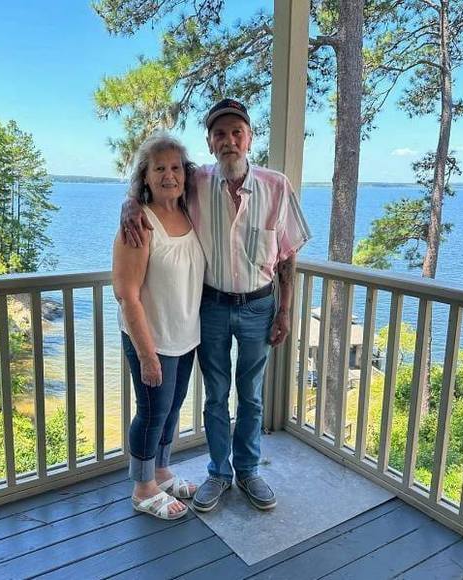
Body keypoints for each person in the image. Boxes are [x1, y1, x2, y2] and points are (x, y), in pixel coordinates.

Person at [121, 98, 310, 513]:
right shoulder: (197, 182)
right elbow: (156, 179)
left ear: (250, 138)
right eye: (219, 134)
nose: (229, 141)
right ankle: (219, 474)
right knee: (216, 396)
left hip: (260, 306)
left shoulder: (277, 186)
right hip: (212, 308)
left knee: (252, 395)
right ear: (209, 143)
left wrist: (285, 310)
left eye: (236, 132)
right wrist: (130, 202)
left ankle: (249, 471)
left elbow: (288, 255)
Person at [113, 132, 205, 520]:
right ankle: (142, 487)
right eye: (159, 168)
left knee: (171, 408)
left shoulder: (190, 212)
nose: (169, 175)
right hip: (152, 338)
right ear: (145, 177)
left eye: (176, 168)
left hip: (185, 335)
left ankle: (162, 471)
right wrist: (147, 355)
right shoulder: (139, 223)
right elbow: (127, 294)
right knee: (151, 413)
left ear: (186, 173)